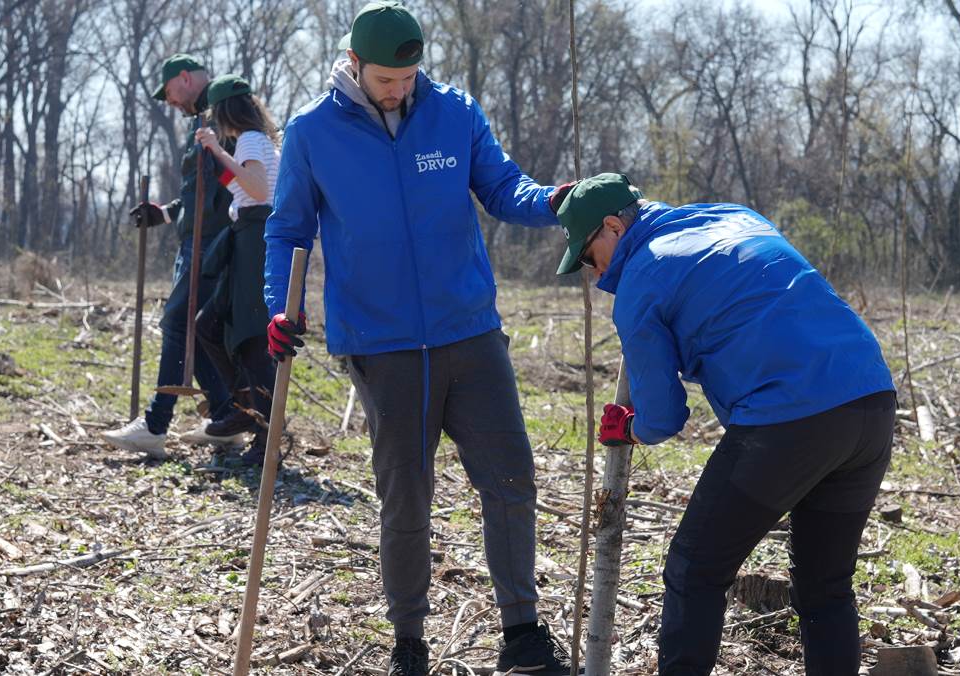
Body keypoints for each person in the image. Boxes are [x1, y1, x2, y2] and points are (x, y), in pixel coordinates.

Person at [262, 3, 576, 674]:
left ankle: (522, 635)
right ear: (353, 64)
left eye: (408, 78)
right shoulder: (312, 133)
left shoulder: (454, 112)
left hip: (470, 333)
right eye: (386, 80)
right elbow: (286, 229)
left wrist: (551, 201)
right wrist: (276, 307)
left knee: (512, 480)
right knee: (406, 495)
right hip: (382, 345)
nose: (400, 90)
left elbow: (501, 188)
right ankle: (410, 642)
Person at [553, 173, 897, 676]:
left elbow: (662, 417)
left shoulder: (640, 282)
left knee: (695, 570)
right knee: (825, 585)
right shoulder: (734, 215)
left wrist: (628, 428)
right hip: (870, 398)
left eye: (587, 255)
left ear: (612, 227)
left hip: (788, 419)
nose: (592, 270)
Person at [102, 53, 239, 459]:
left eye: (170, 94)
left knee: (177, 323)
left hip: (213, 246)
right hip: (195, 243)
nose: (170, 102)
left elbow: (232, 186)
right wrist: (163, 213)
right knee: (192, 330)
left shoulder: (222, 116)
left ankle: (156, 425)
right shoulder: (199, 124)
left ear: (184, 78)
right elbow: (199, 195)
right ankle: (224, 419)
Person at [190, 74, 281, 467]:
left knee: (252, 340)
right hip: (246, 236)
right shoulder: (255, 142)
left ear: (227, 111)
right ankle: (242, 408)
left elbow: (258, 190)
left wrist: (217, 148)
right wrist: (215, 158)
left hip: (256, 239)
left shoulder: (250, 140)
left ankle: (263, 431)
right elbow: (241, 186)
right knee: (211, 325)